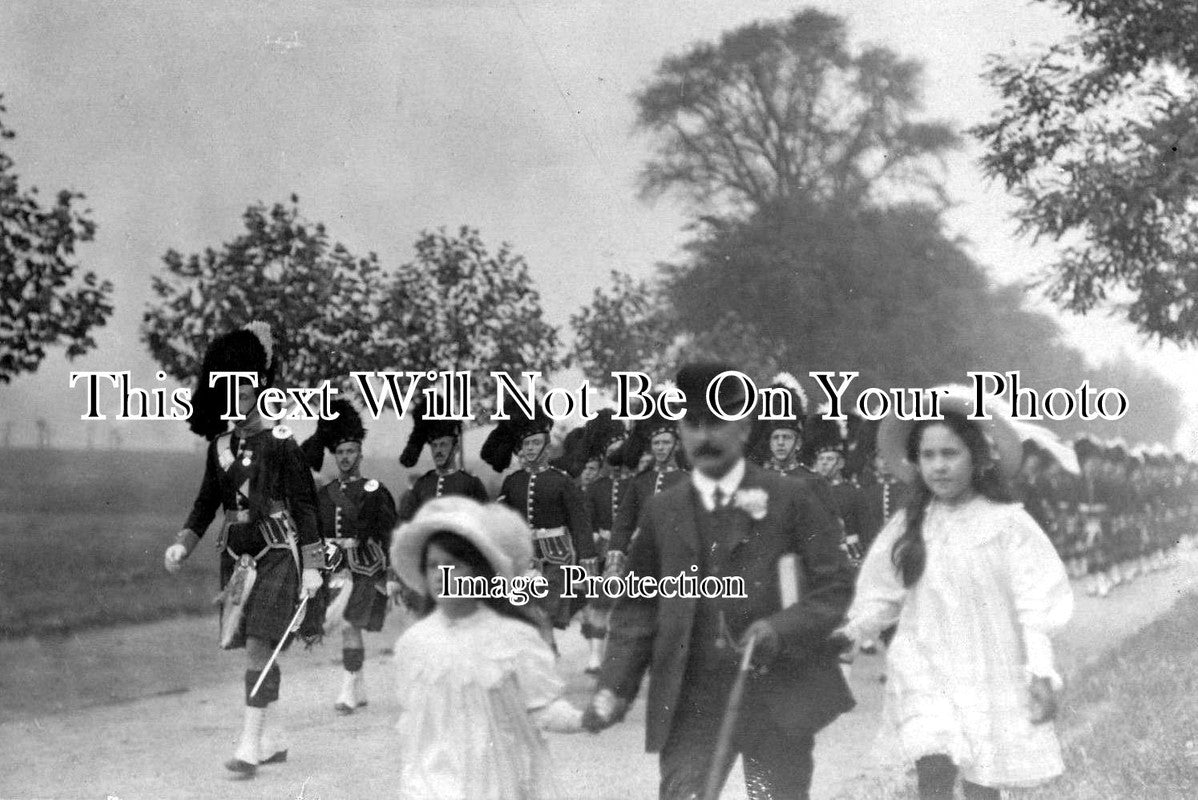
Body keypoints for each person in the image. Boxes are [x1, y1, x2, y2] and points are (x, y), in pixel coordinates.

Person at [585, 361, 855, 800]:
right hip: (692, 703)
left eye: (716, 423)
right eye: (693, 424)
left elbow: (836, 587)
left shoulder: (792, 498)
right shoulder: (662, 511)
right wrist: (614, 686)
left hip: (776, 698)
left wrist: (780, 628)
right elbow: (638, 608)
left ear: (744, 429)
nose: (704, 436)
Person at [838, 386, 1073, 800]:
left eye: (950, 454)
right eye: (928, 456)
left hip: (987, 667)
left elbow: (1035, 601)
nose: (939, 466)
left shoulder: (1007, 525)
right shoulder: (912, 524)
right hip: (924, 663)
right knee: (933, 767)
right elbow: (883, 591)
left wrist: (1039, 668)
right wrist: (852, 633)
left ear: (977, 457)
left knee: (983, 776)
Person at [162, 322, 325, 778]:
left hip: (277, 554)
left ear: (259, 389)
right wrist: (182, 543)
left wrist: (313, 565)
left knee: (259, 644)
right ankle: (275, 737)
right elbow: (205, 504)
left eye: (245, 387)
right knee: (258, 644)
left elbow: (305, 506)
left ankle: (249, 746)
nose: (237, 395)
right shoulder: (218, 448)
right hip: (236, 559)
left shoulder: (281, 442)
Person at [390, 497, 584, 798]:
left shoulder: (513, 638)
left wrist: (588, 718)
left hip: (494, 781)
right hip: (432, 784)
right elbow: (415, 723)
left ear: (478, 572)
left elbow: (541, 709)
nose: (441, 575)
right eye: (433, 566)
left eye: (454, 565)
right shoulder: (415, 642)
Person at [308, 398, 398, 715]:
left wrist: (392, 574)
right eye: (340, 452)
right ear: (335, 455)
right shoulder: (325, 493)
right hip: (334, 567)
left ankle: (347, 690)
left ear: (360, 453)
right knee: (348, 627)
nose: (345, 457)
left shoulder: (375, 490)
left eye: (351, 451)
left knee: (349, 625)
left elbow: (390, 534)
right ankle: (358, 686)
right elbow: (314, 533)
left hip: (365, 566)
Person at [482, 406, 596, 635]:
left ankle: (547, 647)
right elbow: (502, 522)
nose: (531, 448)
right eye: (527, 444)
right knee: (524, 613)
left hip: (557, 557)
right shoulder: (513, 482)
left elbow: (580, 526)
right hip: (523, 557)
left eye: (535, 443)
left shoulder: (561, 481)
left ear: (546, 447)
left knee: (545, 612)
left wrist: (586, 562)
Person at [604, 400, 689, 577]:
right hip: (641, 560)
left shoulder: (688, 481)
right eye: (656, 443)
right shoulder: (640, 481)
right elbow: (624, 523)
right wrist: (615, 561)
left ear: (677, 445)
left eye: (666, 442)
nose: (660, 448)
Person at [396, 392, 489, 522]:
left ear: (455, 448)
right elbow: (407, 524)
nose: (438, 451)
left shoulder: (471, 484)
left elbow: (484, 524)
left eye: (443, 444)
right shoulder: (421, 485)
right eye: (434, 445)